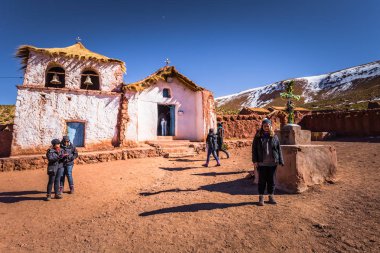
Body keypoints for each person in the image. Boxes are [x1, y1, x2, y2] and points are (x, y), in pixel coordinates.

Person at [252, 118, 284, 206]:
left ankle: (271, 196)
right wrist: (255, 161)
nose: (266, 127)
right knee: (262, 181)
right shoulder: (258, 136)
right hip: (262, 163)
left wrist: (280, 160)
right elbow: (254, 149)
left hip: (272, 163)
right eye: (265, 125)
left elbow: (278, 149)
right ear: (262, 126)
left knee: (272, 181)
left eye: (268, 125)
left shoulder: (274, 136)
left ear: (270, 126)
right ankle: (261, 197)